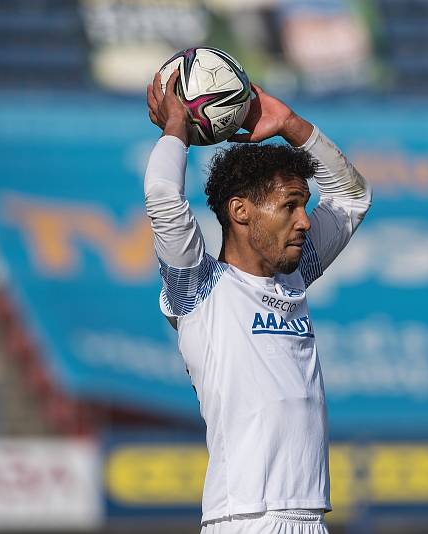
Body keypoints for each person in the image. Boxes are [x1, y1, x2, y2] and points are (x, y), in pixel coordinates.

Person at [145, 69, 372, 534]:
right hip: (247, 519)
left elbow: (352, 195)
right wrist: (177, 129)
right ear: (241, 210)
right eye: (289, 205)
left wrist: (289, 123)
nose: (305, 221)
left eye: (305, 205)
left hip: (312, 517)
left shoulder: (294, 278)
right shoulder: (201, 289)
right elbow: (163, 197)